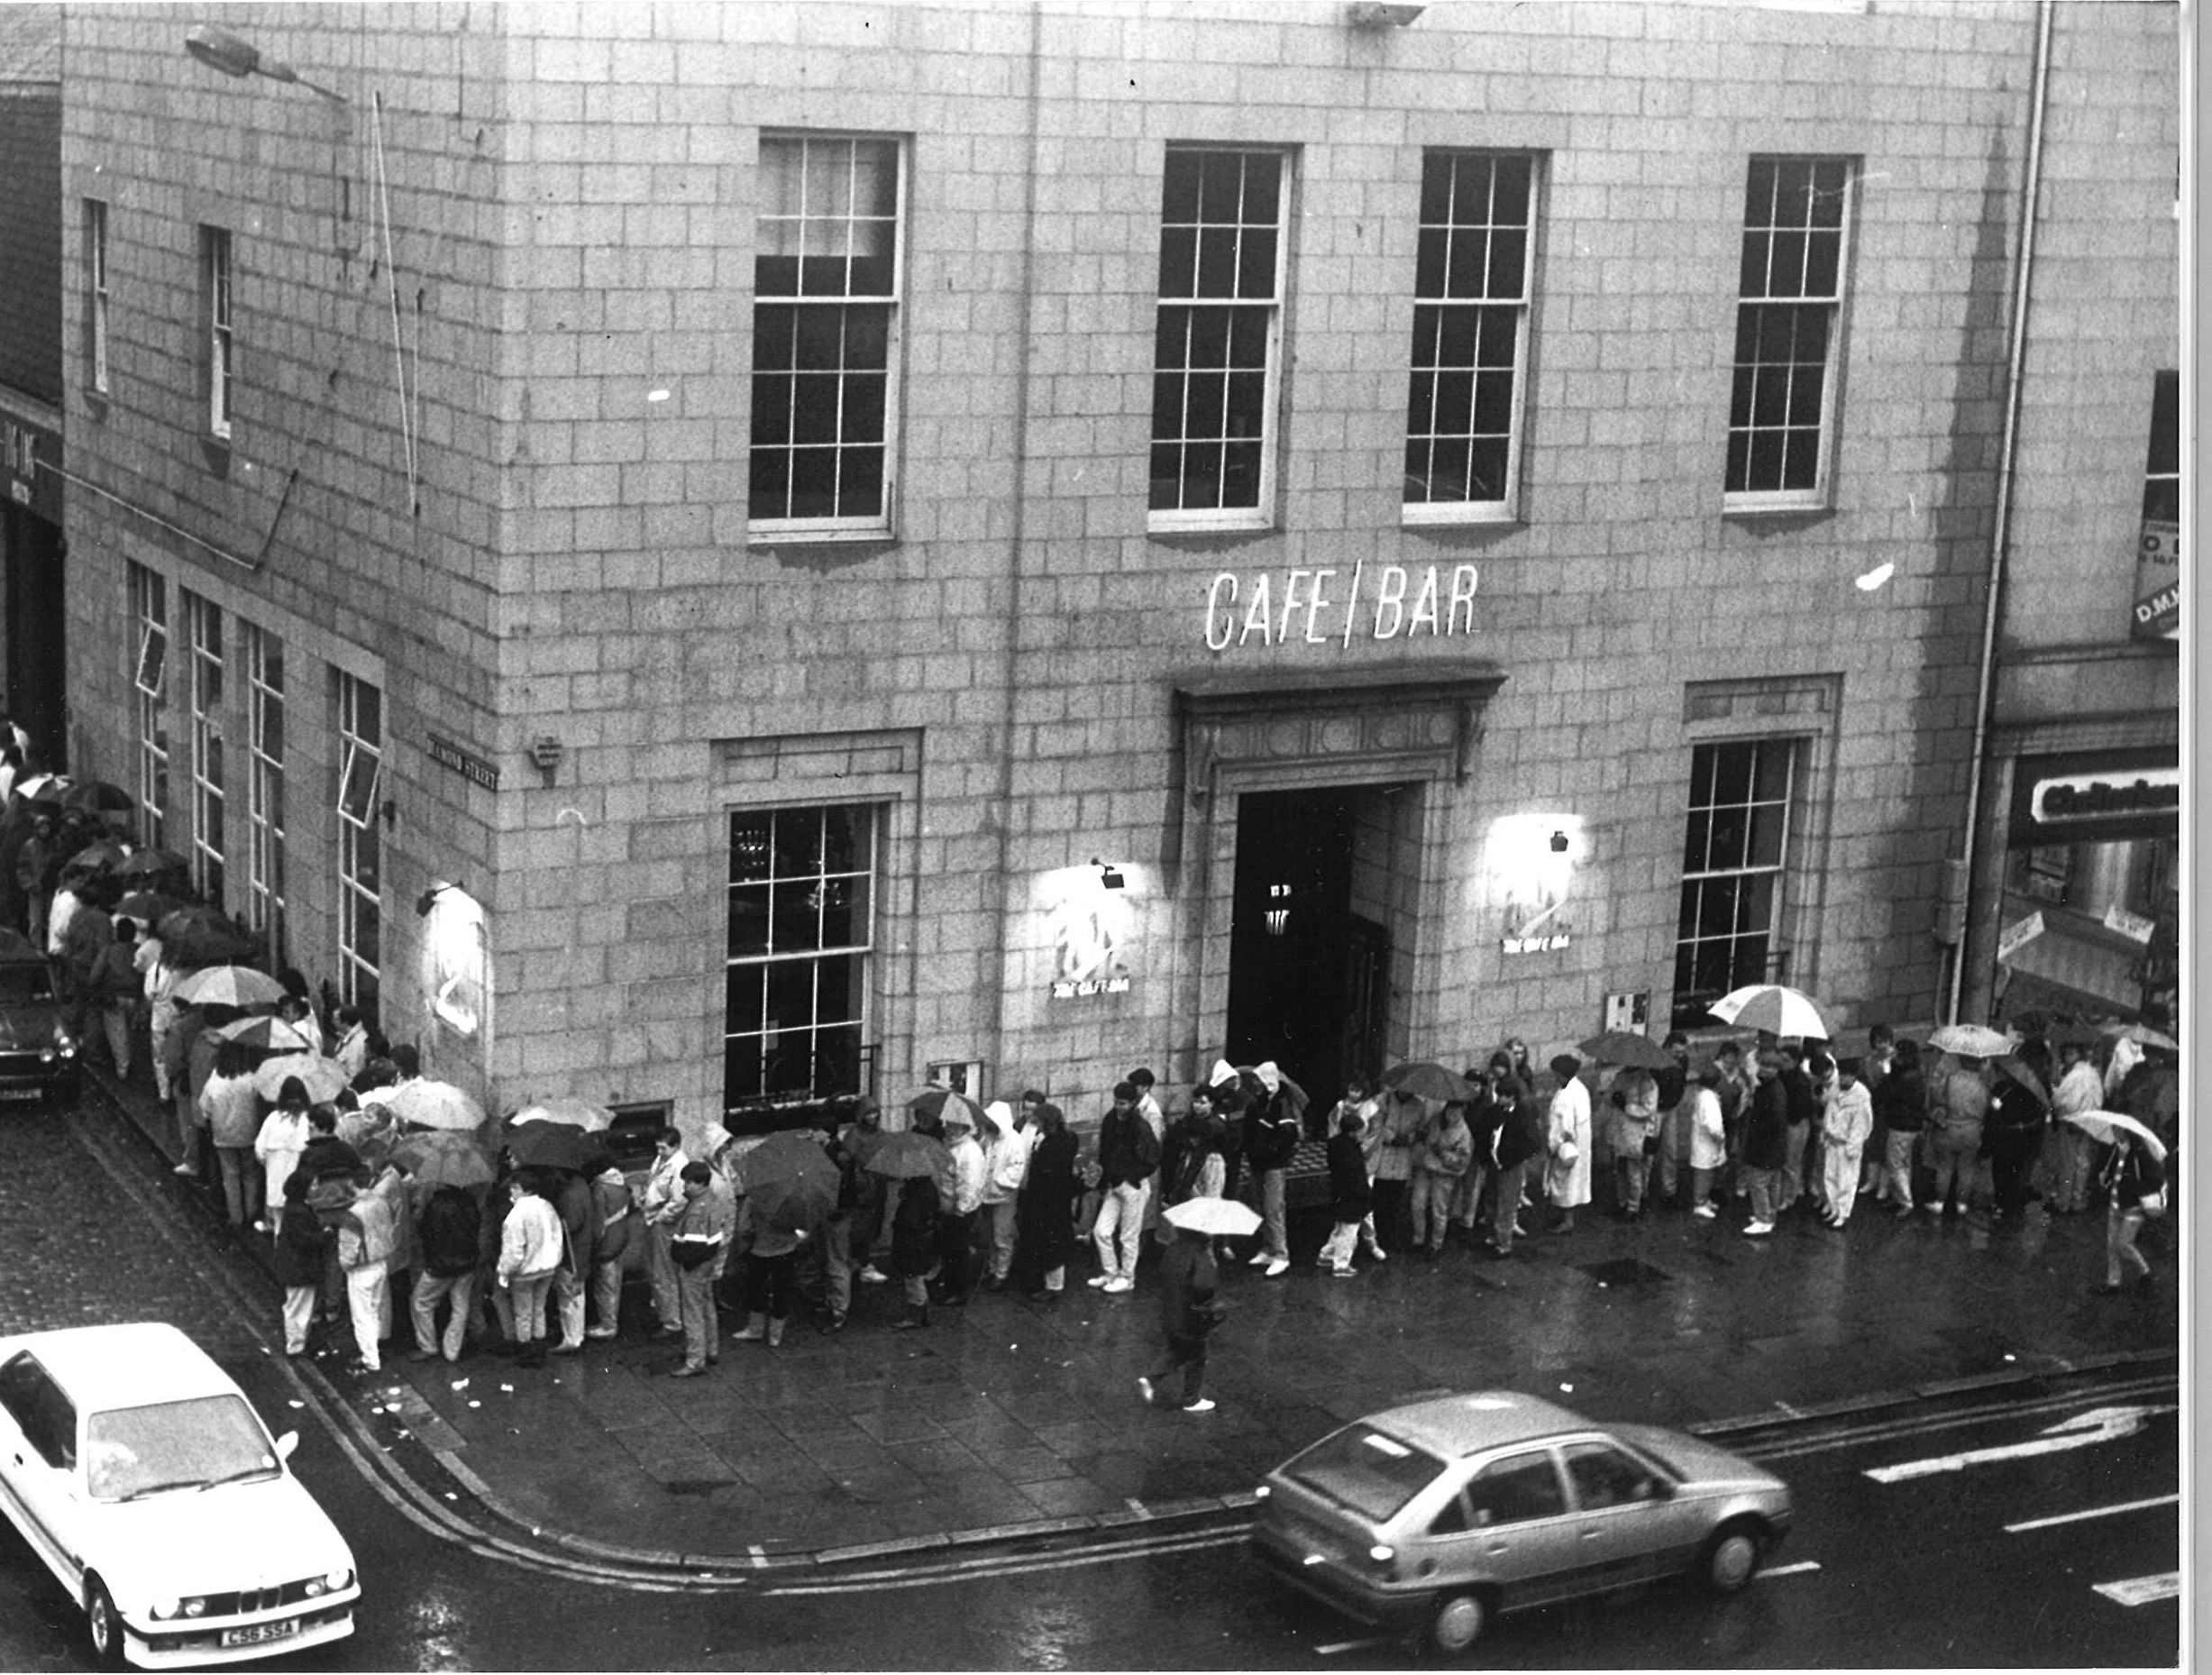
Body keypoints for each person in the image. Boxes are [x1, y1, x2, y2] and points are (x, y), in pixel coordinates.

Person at [1137, 1219, 1221, 1414]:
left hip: (1171, 1311)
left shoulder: (1173, 1249)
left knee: (1178, 1349)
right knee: (1197, 1356)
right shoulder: (1199, 1254)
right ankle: (1191, 1399)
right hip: (1191, 1316)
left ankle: (1151, 1378)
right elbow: (1204, 1287)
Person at [337, 1163, 407, 1373]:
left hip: (361, 1269)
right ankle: (374, 1347)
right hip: (381, 1263)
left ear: (351, 1184)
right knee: (374, 1309)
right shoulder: (381, 1202)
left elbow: (348, 1251)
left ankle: (370, 1360)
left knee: (361, 1316)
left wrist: (345, 1265)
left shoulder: (352, 1215)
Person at [1090, 1082, 1158, 1295]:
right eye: (1117, 1102)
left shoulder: (1140, 1126)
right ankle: (1111, 1272)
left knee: (1129, 1235)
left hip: (1132, 1185)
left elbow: (1153, 1158)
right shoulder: (1111, 1121)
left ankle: (1127, 1277)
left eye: (1124, 1103)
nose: (1119, 1107)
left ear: (1132, 1103)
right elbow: (1104, 1151)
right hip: (1116, 1183)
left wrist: (1132, 1177)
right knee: (1101, 1231)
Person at [668, 1160, 734, 1375]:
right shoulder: (713, 1200)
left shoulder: (696, 1210)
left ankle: (695, 1360)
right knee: (707, 1307)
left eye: (688, 1183)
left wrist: (683, 1262)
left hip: (694, 1267)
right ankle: (710, 1349)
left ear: (699, 1184)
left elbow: (694, 1247)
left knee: (693, 1312)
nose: (685, 1187)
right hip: (709, 1263)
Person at [496, 1169, 565, 1368]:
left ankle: (527, 1352)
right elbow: (556, 1235)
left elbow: (514, 1252)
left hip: (525, 1273)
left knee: (523, 1313)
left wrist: (505, 1271)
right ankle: (539, 1348)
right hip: (548, 1268)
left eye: (514, 1188)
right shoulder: (547, 1206)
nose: (512, 1192)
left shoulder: (515, 1216)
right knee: (539, 1308)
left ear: (521, 1189)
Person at [1239, 1063, 1302, 1277]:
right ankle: (1268, 1247)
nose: (1255, 1084)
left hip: (1273, 1164)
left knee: (1273, 1208)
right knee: (1260, 1206)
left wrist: (1267, 1150)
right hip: (1259, 1163)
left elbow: (1288, 1133)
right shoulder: (1259, 1103)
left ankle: (1281, 1254)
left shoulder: (1281, 1104)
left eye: (1258, 1080)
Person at [409, 1184, 483, 1363]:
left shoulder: (436, 1205)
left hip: (440, 1265)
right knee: (460, 1305)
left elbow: (426, 1232)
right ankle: (452, 1349)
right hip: (467, 1262)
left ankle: (428, 1345)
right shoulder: (469, 1202)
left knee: (421, 1303)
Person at [1017, 1101, 1080, 1302]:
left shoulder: (1058, 1144)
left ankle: (1054, 1286)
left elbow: (1055, 1175)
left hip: (1052, 1202)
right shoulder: (1051, 1139)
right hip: (1044, 1201)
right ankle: (1045, 1281)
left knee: (1053, 1243)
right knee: (1046, 1242)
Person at [198, 1043, 266, 1229]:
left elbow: (205, 1109)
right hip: (248, 1134)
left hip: (223, 1137)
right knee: (250, 1174)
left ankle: (236, 1216)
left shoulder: (213, 1083)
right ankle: (251, 1212)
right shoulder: (250, 1080)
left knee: (230, 1176)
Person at [2093, 1131, 2165, 1297]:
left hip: (2133, 1208)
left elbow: (2155, 1181)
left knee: (2123, 1244)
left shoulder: (2142, 1154)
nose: (2114, 1131)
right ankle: (2113, 1283)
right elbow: (2112, 1176)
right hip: (2115, 1203)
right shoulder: (2114, 1150)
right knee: (2112, 1245)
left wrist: (2131, 1186)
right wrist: (2105, 1178)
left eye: (2117, 1128)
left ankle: (2145, 1271)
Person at [271, 1173, 334, 1358]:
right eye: (313, 1185)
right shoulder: (299, 1212)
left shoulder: (297, 1208)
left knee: (300, 1305)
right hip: (300, 1268)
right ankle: (296, 1345)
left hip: (297, 1266)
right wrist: (325, 1234)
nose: (316, 1187)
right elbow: (304, 1240)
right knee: (298, 1307)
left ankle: (299, 1340)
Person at [637, 1126, 690, 1339]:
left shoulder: (679, 1167)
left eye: (663, 1148)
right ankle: (665, 1312)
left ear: (676, 1146)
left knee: (663, 1273)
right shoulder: (662, 1161)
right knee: (656, 1270)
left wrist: (660, 1218)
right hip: (652, 1219)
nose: (659, 1152)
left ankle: (672, 1323)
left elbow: (679, 1201)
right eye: (657, 1147)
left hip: (663, 1224)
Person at [1486, 1077, 1545, 1258]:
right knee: (1495, 1200)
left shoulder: (1522, 1115)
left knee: (1507, 1204)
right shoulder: (1497, 1112)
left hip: (1510, 1166)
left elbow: (1533, 1144)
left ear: (1511, 1097)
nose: (1499, 1099)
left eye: (1502, 1095)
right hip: (1496, 1163)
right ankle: (1496, 1235)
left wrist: (1513, 1159)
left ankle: (1504, 1243)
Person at [936, 1110, 988, 1306]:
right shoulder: (949, 1145)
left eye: (955, 1126)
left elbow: (969, 1184)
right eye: (948, 1124)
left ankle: (958, 1292)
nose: (950, 1129)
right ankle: (950, 1287)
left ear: (965, 1128)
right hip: (947, 1207)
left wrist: (961, 1209)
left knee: (956, 1251)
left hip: (960, 1211)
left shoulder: (970, 1151)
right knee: (949, 1250)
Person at [1408, 1098, 1471, 1259]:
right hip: (1426, 1168)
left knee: (1439, 1210)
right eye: (1449, 1111)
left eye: (1456, 1113)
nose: (1451, 1116)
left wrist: (1442, 1154)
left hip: (1444, 1174)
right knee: (1417, 1204)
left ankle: (1436, 1244)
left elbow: (1462, 1160)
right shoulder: (1435, 1120)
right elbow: (1425, 1136)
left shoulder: (1464, 1133)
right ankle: (1418, 1239)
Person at [977, 1098, 1029, 1291]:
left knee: (1002, 1236)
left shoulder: (1014, 1141)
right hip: (987, 1195)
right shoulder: (989, 1137)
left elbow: (1015, 1172)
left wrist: (996, 1182)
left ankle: (1002, 1273)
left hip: (1004, 1197)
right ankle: (992, 1268)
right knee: (990, 1236)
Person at [1926, 1054, 1988, 1217]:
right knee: (1967, 1168)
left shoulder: (1950, 1080)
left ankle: (1939, 1202)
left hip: (1948, 1129)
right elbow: (1985, 1110)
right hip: (1972, 1131)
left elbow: (1936, 1096)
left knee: (1944, 1167)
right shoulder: (1983, 1085)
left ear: (1961, 1061)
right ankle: (1962, 1204)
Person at [1985, 1059, 2046, 1222]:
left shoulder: (1999, 1089)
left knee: (1999, 1172)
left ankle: (2000, 1203)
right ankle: (2011, 1204)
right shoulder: (2030, 1092)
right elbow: (2036, 1117)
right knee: (2015, 1171)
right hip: (2020, 1139)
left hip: (2002, 1137)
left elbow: (1992, 1113)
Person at [1316, 1105, 1374, 1277]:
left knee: (1340, 1228)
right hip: (1352, 1197)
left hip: (1339, 1194)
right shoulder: (1351, 1151)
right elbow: (1356, 1177)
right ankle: (1341, 1264)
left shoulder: (1336, 1145)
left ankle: (1326, 1255)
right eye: (1362, 1131)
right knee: (1349, 1232)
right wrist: (1365, 1196)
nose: (1364, 1134)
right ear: (1353, 1132)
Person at [2047, 1039, 2104, 1215]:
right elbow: (2099, 1098)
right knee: (2082, 1163)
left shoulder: (2074, 1076)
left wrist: (2055, 1096)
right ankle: (2077, 1199)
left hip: (2071, 1122)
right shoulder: (2093, 1074)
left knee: (2067, 1164)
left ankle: (2062, 1201)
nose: (2066, 1057)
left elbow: (2064, 1102)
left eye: (2069, 1054)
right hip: (2089, 1122)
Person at [1817, 1057, 1874, 1228]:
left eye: (1846, 1077)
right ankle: (1834, 1209)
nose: (1842, 1080)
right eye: (1840, 1076)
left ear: (1854, 1076)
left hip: (1846, 1145)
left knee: (1846, 1182)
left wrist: (1853, 1148)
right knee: (1830, 1177)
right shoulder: (1835, 1089)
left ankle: (1843, 1213)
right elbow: (1828, 1111)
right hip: (1832, 1142)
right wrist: (1825, 1134)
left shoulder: (1862, 1097)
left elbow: (1861, 1127)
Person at [582, 1148, 633, 1338]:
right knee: (615, 1285)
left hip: (606, 1246)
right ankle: (612, 1320)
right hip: (621, 1240)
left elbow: (598, 1227)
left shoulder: (600, 1189)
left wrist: (592, 1247)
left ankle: (608, 1325)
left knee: (605, 1287)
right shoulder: (620, 1183)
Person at [253, 1077, 315, 1231]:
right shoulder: (308, 1120)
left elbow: (259, 1150)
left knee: (279, 1219)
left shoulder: (273, 1119)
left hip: (276, 1179)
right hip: (301, 1185)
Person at [1366, 1088, 1422, 1252]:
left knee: (1394, 1201)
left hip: (1403, 1160)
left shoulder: (1418, 1106)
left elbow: (1419, 1130)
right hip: (1383, 1157)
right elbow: (1374, 1125)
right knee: (1378, 1201)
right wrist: (1391, 1136)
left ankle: (1389, 1237)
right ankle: (1373, 1238)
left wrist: (1409, 1138)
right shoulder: (1382, 1100)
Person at [1741, 1051, 1791, 1236]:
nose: (1766, 1069)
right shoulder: (1772, 1087)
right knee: (1772, 1183)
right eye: (1763, 1065)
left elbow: (1773, 1120)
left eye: (1771, 1066)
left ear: (1777, 1069)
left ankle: (1763, 1218)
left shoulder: (1772, 1090)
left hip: (1765, 1146)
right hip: (1775, 1147)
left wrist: (1758, 1132)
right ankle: (1769, 1215)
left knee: (1759, 1183)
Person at [87, 915, 142, 1077]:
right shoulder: (139, 950)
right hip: (135, 996)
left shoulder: (109, 951)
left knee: (118, 1034)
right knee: (131, 1033)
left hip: (114, 997)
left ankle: (122, 1069)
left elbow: (94, 976)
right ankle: (131, 1063)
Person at [1544, 1054, 1592, 1234]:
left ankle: (1567, 1220)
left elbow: (1564, 1127)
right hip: (1580, 1145)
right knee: (1572, 1182)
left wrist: (1554, 1145)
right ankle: (1566, 1216)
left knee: (1565, 1182)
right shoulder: (1580, 1089)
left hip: (1568, 1145)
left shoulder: (1565, 1097)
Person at [1606, 1067, 1659, 1220]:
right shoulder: (1620, 1077)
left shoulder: (1648, 1083)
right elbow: (1608, 1097)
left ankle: (1634, 1206)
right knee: (1620, 1169)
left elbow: (1648, 1110)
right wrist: (1613, 1098)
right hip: (1619, 1130)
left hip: (1636, 1132)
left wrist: (1627, 1106)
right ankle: (1622, 1202)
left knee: (1634, 1171)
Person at [890, 1174, 942, 1331]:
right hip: (922, 1240)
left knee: (912, 1275)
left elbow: (909, 1220)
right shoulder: (928, 1189)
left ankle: (916, 1315)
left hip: (912, 1241)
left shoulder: (916, 1194)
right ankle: (921, 1311)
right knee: (915, 1274)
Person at [1651, 1032, 1692, 1204]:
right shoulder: (1654, 1062)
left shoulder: (1683, 1060)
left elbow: (1682, 1080)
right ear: (1667, 1048)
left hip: (1672, 1108)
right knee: (1649, 1150)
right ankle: (1642, 1192)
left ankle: (1670, 1190)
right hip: (1655, 1110)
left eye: (1682, 1052)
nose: (1680, 1056)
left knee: (1671, 1150)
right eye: (1676, 1052)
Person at [1686, 1064, 1729, 1219]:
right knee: (1703, 1173)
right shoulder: (1709, 1099)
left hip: (1704, 1142)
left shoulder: (1702, 1095)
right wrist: (1720, 1138)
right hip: (1708, 1143)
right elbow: (1714, 1126)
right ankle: (1700, 1203)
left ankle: (1704, 1200)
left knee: (1708, 1172)